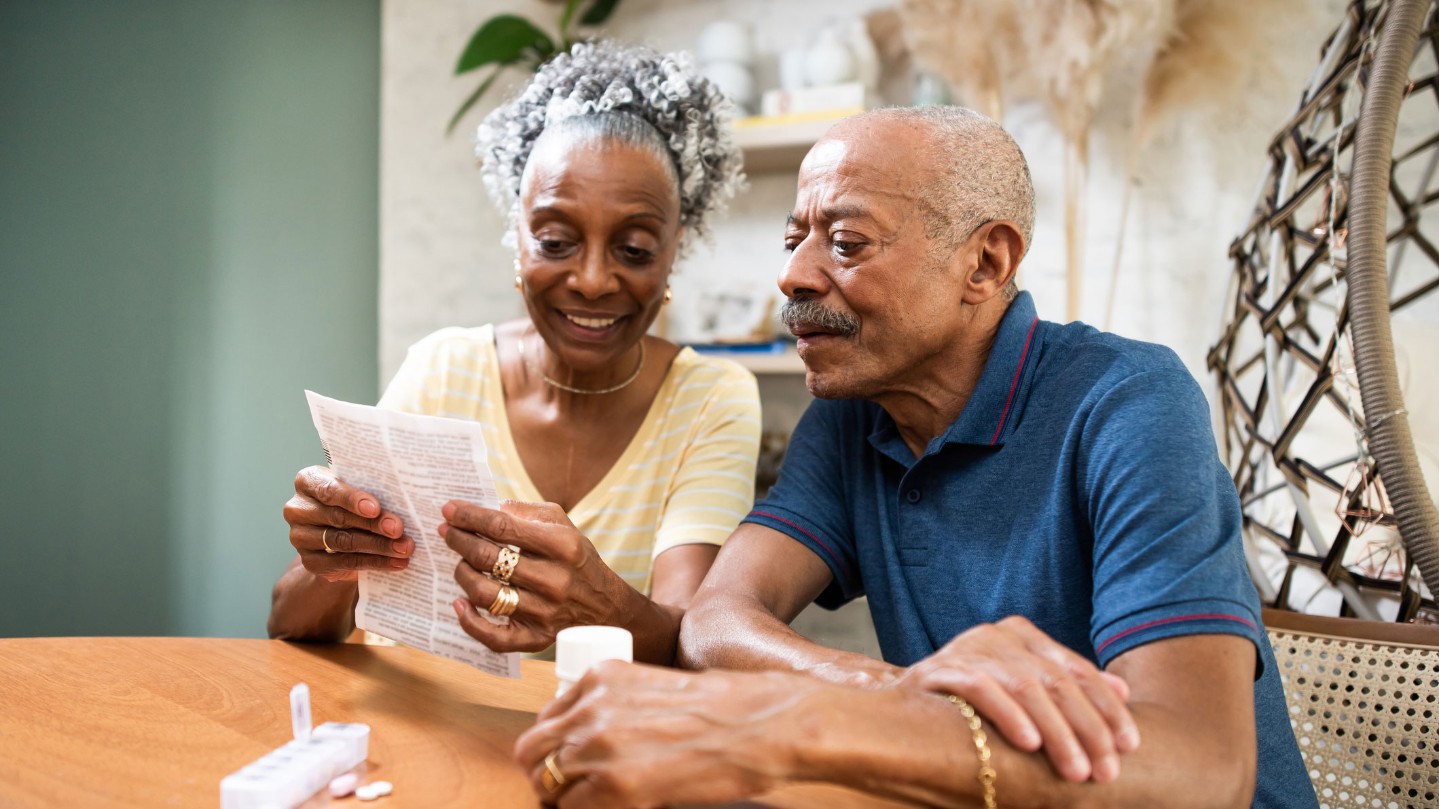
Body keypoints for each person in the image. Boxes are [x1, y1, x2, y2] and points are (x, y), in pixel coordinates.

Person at [512, 106, 1316, 808]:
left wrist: (799, 720)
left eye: (845, 241)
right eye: (795, 240)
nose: (792, 274)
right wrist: (895, 692)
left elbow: (1197, 772)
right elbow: (715, 621)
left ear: (985, 263)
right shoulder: (852, 408)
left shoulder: (1129, 401)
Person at [267, 41, 757, 666]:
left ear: (673, 253)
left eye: (634, 249)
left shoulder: (710, 397)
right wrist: (333, 555)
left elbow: (689, 645)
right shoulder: (445, 370)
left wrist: (594, 601)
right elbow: (288, 625)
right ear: (517, 237)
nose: (592, 279)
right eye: (555, 241)